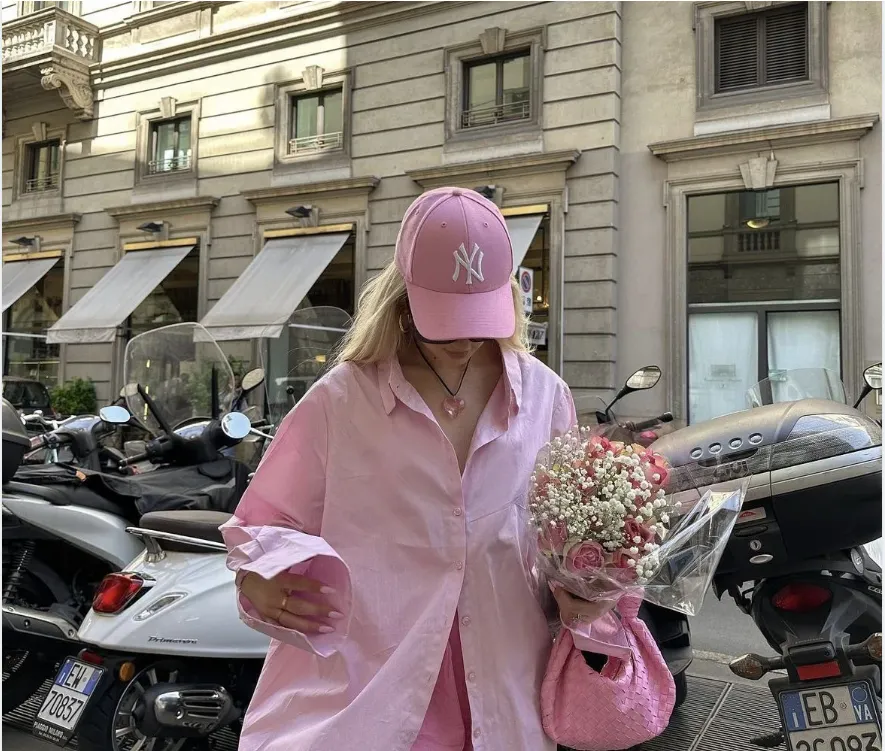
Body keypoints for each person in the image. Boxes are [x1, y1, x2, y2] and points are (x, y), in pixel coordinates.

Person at [221, 187, 614, 751]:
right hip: (368, 698)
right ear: (403, 295)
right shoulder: (340, 402)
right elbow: (263, 527)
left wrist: (591, 587)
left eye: (480, 316)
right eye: (446, 320)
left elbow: (561, 541)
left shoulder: (546, 398)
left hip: (506, 700)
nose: (465, 339)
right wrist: (258, 580)